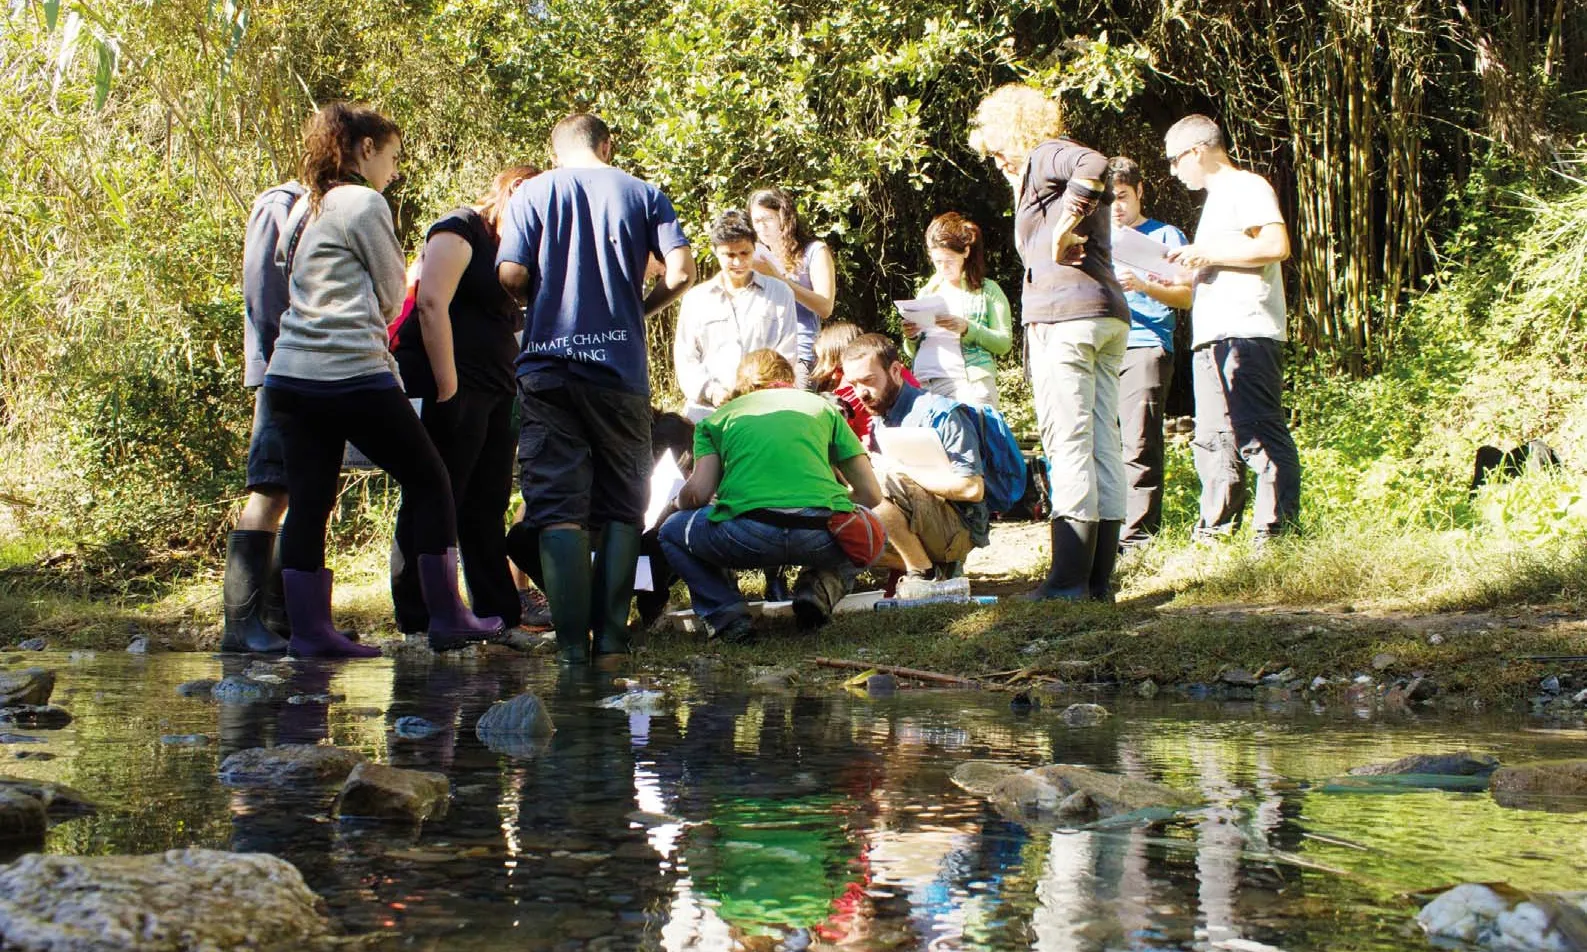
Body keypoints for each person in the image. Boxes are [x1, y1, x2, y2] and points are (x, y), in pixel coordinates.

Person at [264, 102, 503, 657]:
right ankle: (446, 615)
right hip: (351, 370)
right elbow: (397, 293)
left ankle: (308, 632)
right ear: (365, 149)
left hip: (290, 374)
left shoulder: (304, 204)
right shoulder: (364, 202)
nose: (394, 170)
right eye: (391, 156)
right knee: (430, 478)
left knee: (310, 498)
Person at [497, 112, 696, 664]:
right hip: (619, 374)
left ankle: (569, 649)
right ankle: (611, 641)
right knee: (621, 508)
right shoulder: (645, 193)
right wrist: (637, 308)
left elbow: (511, 276)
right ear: (607, 145)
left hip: (548, 371)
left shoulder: (531, 194)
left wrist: (537, 299)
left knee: (557, 507)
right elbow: (681, 272)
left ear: (556, 149)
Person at [969, 83, 1129, 601]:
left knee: (1068, 443)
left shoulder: (1044, 155)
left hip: (1066, 318)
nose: (996, 165)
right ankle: (1098, 580)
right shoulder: (1046, 166)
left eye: (995, 152)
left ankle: (1067, 581)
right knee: (1104, 441)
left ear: (1011, 136)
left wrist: (1064, 228)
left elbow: (1095, 161)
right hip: (1106, 315)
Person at [389, 163, 541, 638]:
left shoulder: (514, 248)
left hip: (498, 384)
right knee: (438, 492)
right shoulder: (460, 228)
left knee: (487, 500)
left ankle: (498, 611)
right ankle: (420, 612)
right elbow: (431, 302)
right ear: (515, 189)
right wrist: (447, 385)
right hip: (448, 380)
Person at [658, 350, 882, 642]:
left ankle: (727, 616)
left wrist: (674, 504)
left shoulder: (717, 419)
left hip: (745, 536)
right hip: (818, 534)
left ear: (741, 386)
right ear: (788, 379)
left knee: (672, 532)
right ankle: (818, 592)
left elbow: (698, 494)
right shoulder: (822, 408)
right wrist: (827, 507)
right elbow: (871, 494)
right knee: (870, 527)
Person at [1151, 114, 1301, 544]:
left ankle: (1276, 532)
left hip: (1247, 330)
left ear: (1197, 151)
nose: (1173, 171)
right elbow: (1217, 262)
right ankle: (1215, 533)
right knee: (1214, 439)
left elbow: (1275, 246)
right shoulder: (1215, 202)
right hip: (1211, 335)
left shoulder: (1245, 186)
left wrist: (1208, 253)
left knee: (1258, 429)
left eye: (1175, 161)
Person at [222, 178, 307, 654]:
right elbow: (262, 288)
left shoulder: (321, 205)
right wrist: (282, 353)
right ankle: (241, 627)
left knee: (303, 491)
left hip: (315, 369)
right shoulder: (282, 203)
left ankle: (282, 618)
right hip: (285, 366)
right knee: (271, 488)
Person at [839, 334, 988, 599]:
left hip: (957, 529)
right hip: (922, 520)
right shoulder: (880, 418)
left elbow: (971, 489)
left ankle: (923, 574)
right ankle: (934, 569)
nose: (861, 392)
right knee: (841, 502)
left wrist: (899, 469)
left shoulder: (941, 413)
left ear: (895, 371)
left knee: (877, 481)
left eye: (869, 381)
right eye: (854, 384)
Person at [1108, 155, 1188, 549]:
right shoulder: (1093, 239)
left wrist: (1143, 285)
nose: (1117, 205)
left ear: (1140, 192)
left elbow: (1187, 295)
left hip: (1146, 343)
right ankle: (1107, 535)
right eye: (1109, 198)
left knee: (1139, 443)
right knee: (1104, 445)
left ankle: (1138, 539)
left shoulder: (1165, 235)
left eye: (1123, 195)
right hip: (1101, 348)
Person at [674, 210, 799, 422]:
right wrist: (711, 392)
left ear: (755, 249)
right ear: (715, 251)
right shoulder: (695, 299)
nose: (739, 263)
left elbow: (786, 353)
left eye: (745, 254)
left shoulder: (779, 293)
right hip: (707, 413)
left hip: (763, 410)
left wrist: (759, 390)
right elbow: (686, 358)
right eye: (730, 255)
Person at [901, 212, 1012, 408]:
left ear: (966, 253)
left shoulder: (987, 290)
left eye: (949, 261)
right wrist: (910, 337)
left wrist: (968, 328)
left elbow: (1004, 343)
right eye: (937, 262)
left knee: (970, 437)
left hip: (968, 383)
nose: (943, 267)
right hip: (925, 382)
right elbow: (912, 351)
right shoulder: (927, 292)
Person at [748, 187, 837, 383]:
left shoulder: (814, 251)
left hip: (800, 354)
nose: (762, 227)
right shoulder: (755, 256)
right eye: (756, 222)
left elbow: (825, 307)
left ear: (784, 217)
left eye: (767, 219)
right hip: (761, 358)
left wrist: (779, 279)